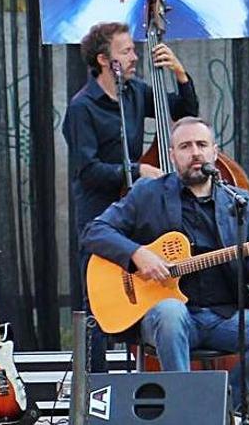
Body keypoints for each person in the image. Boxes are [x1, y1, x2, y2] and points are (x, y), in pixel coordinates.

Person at [82, 116, 249, 410]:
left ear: (214, 152)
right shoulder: (148, 193)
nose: (195, 152)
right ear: (172, 155)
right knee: (170, 311)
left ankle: (221, 404)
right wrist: (137, 254)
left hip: (224, 316)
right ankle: (185, 410)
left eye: (202, 144)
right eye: (185, 146)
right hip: (167, 317)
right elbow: (94, 231)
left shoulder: (239, 203)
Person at [62, 21, 199, 371]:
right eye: (126, 51)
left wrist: (179, 72)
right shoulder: (82, 108)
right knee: (95, 309)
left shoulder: (136, 93)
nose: (135, 57)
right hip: (99, 217)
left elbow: (183, 110)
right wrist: (137, 170)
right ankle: (94, 392)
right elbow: (87, 170)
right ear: (105, 59)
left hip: (134, 217)